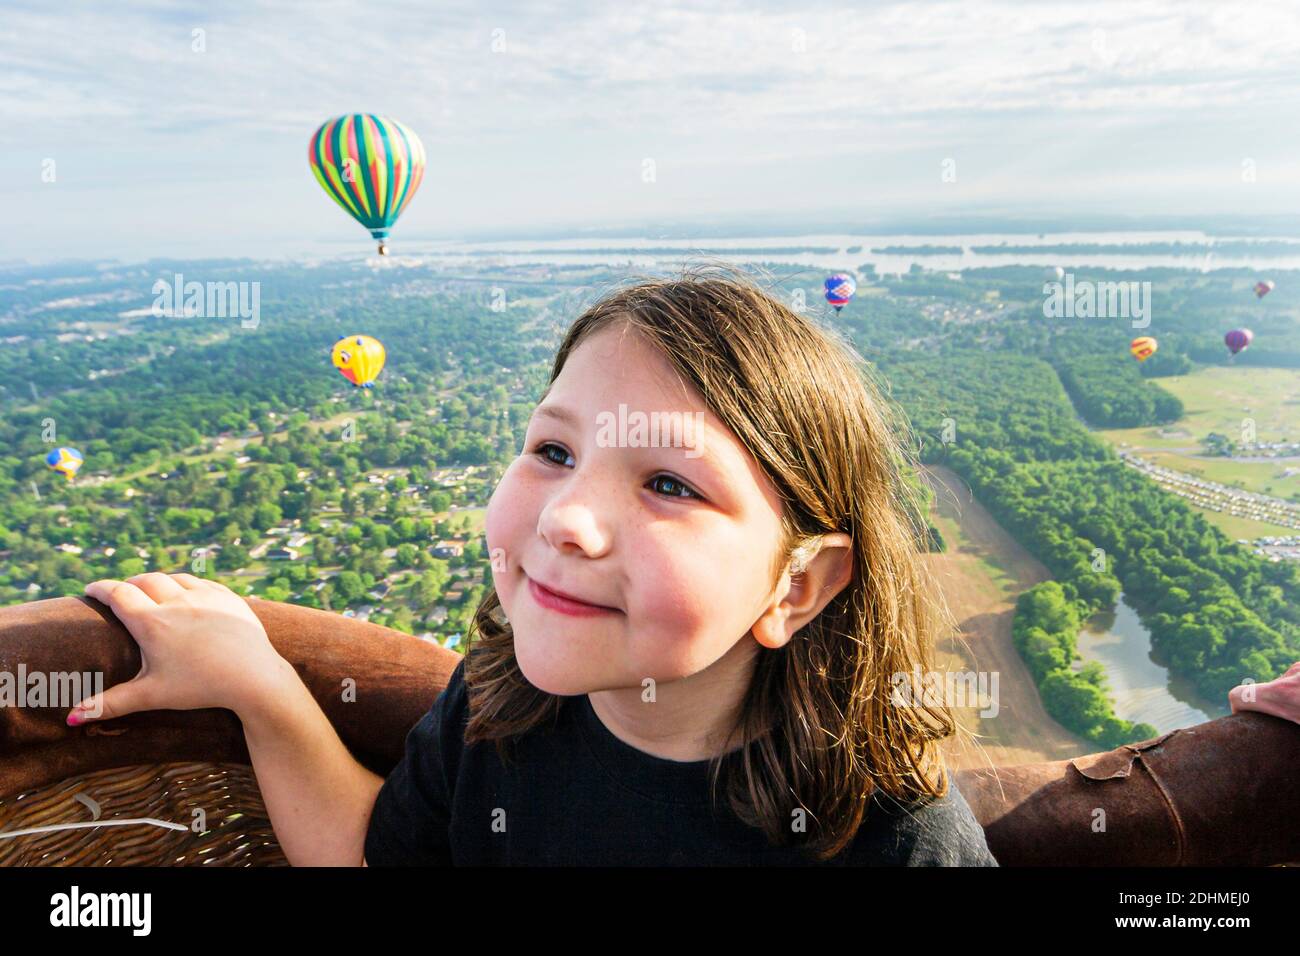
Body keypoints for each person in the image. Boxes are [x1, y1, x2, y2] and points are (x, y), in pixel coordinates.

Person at [72, 267, 1023, 864]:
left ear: (797, 586)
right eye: (554, 453)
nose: (568, 517)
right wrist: (260, 687)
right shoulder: (493, 711)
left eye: (667, 484)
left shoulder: (892, 839)